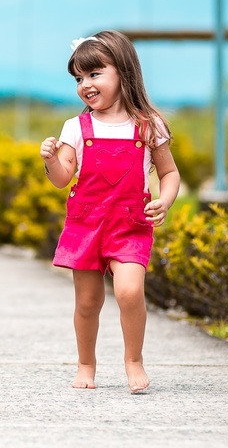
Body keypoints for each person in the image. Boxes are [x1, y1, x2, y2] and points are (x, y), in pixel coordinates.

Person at [40, 30, 180, 393]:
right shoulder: (76, 127)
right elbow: (62, 178)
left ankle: (133, 360)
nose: (85, 84)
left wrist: (165, 199)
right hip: (86, 226)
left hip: (130, 226)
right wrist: (52, 160)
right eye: (78, 78)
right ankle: (86, 364)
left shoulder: (148, 126)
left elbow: (169, 173)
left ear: (123, 72)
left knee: (130, 292)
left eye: (94, 74)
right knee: (87, 302)